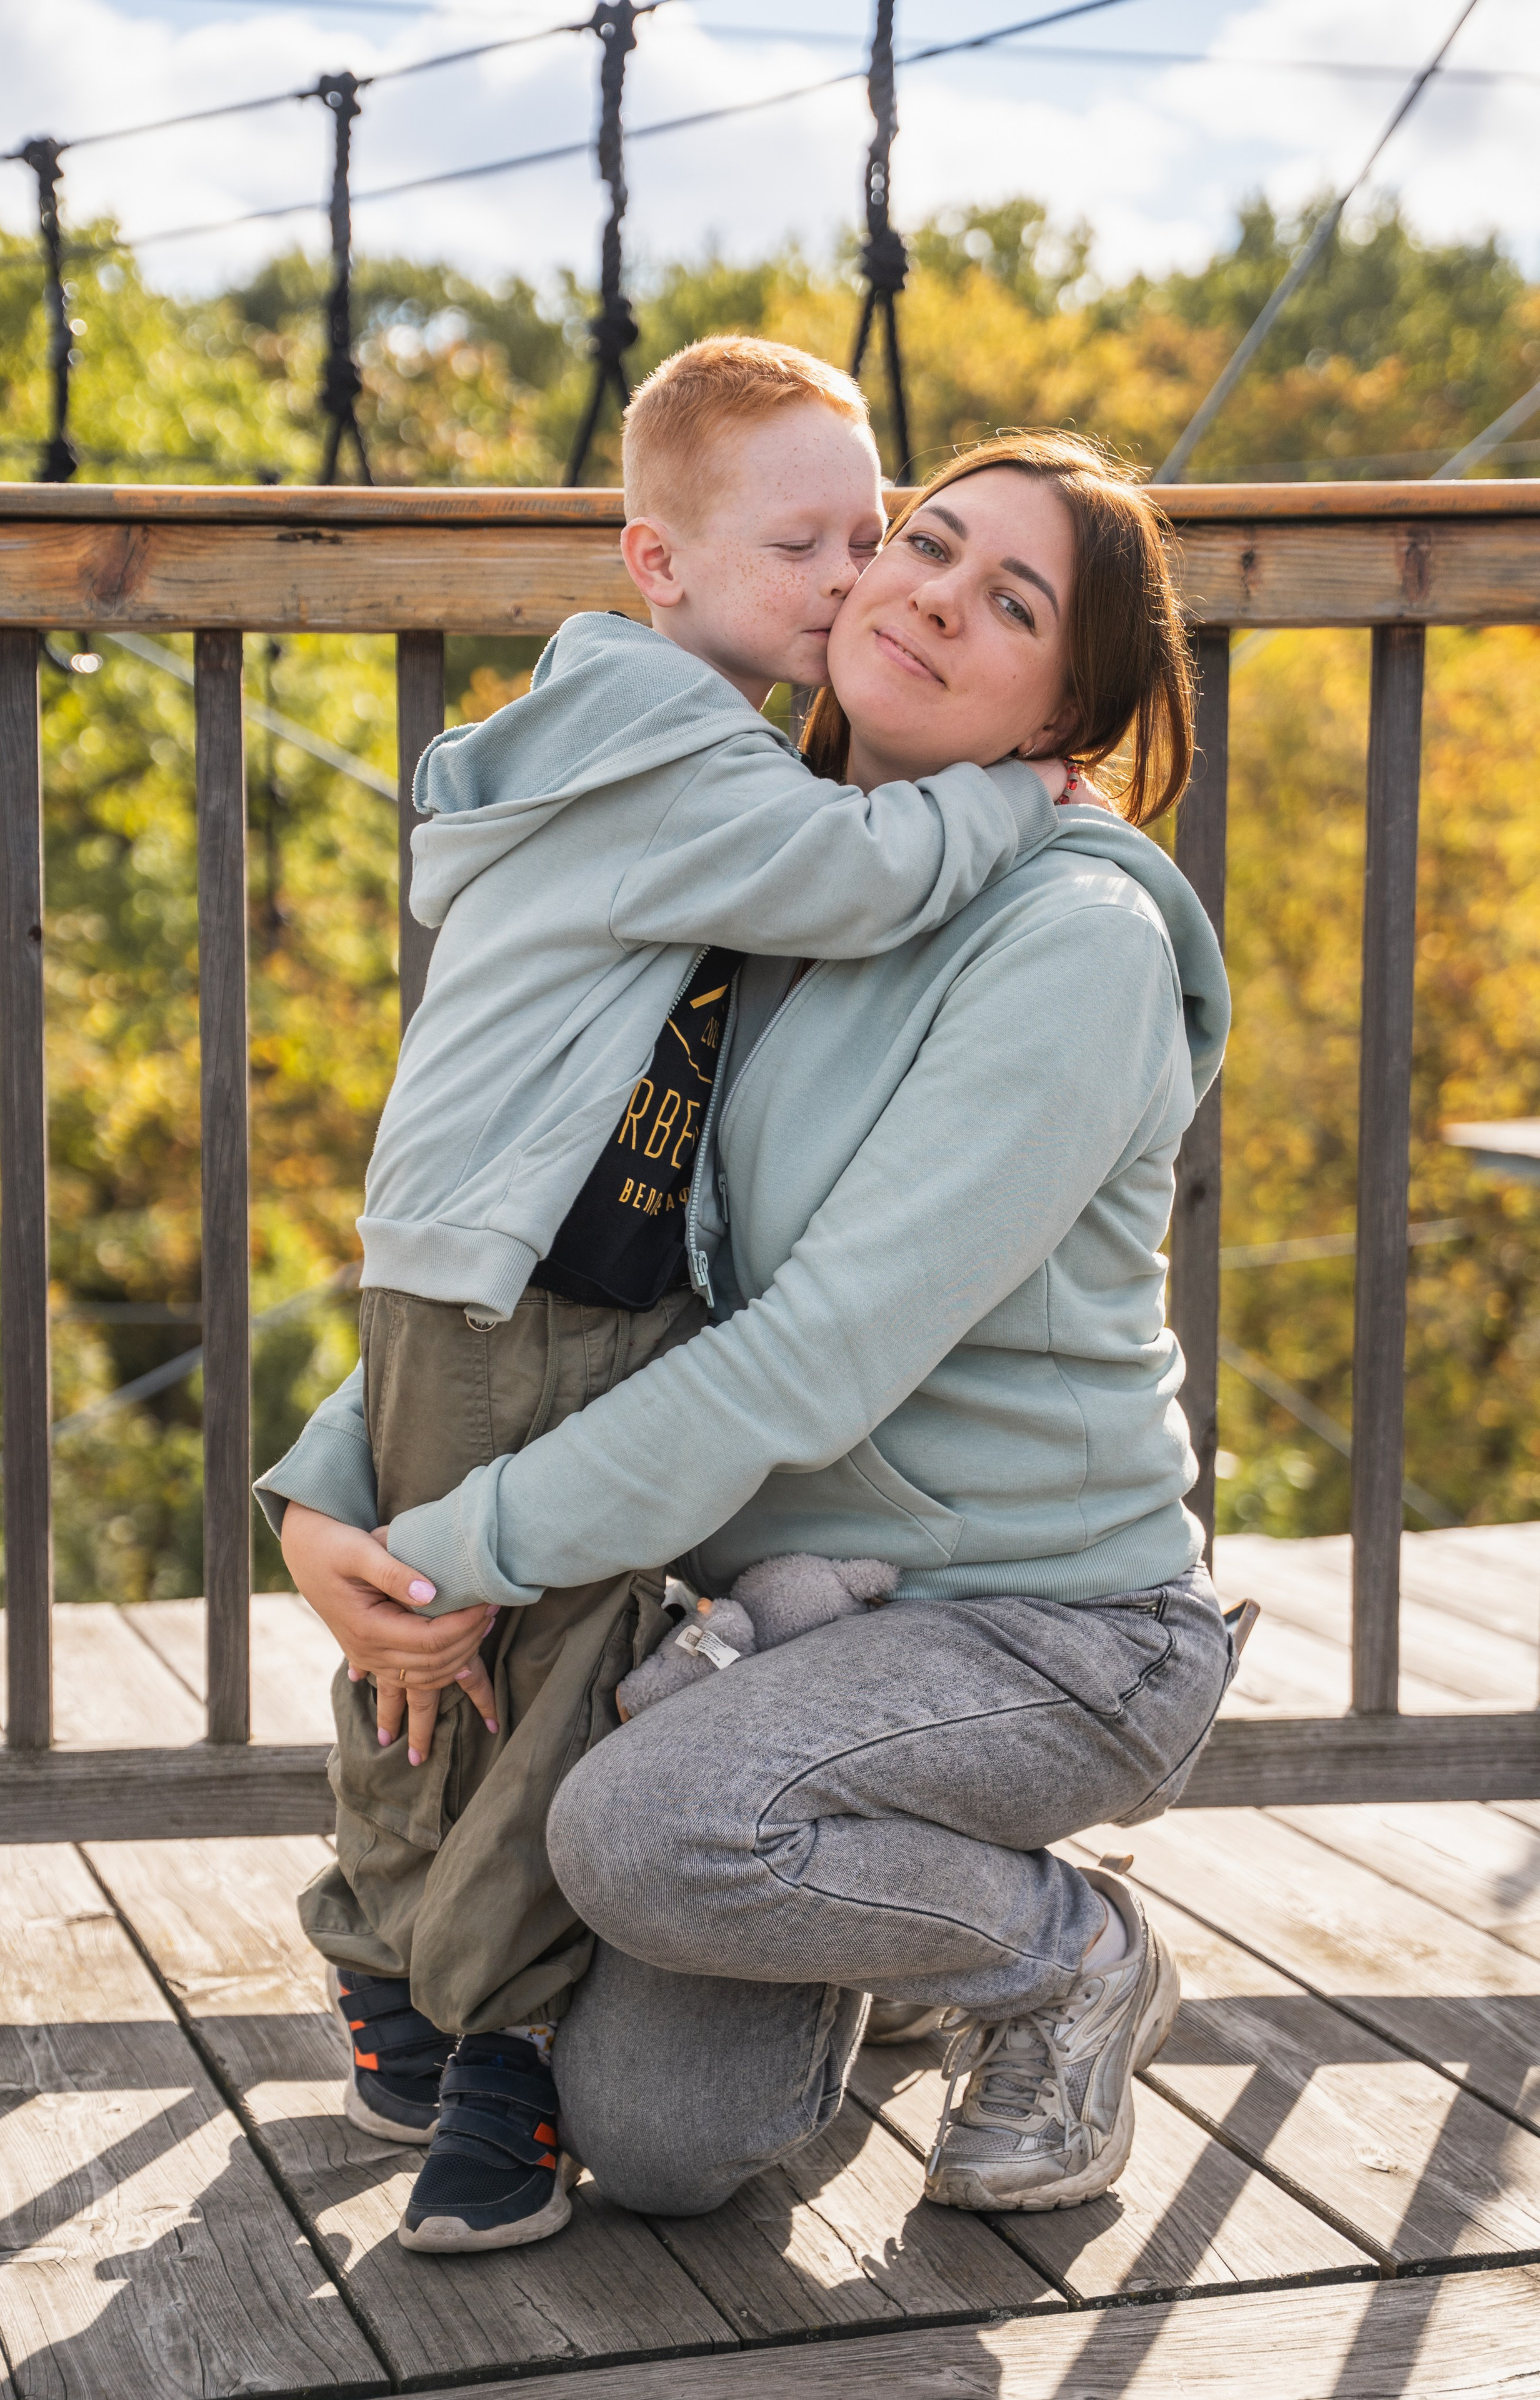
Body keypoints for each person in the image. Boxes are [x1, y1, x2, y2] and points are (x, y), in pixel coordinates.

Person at [275, 430, 1234, 2231]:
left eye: (1013, 602)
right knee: (653, 2141)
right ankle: (882, 1896)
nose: (935, 597)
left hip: (1042, 1622)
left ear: (1063, 713)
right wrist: (335, 1495)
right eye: (925, 545)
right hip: (785, 1623)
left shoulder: (1076, 938)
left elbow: (817, 1357)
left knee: (641, 1836)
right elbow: (560, 1236)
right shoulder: (758, 870)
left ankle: (1065, 1953)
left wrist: (451, 1551)